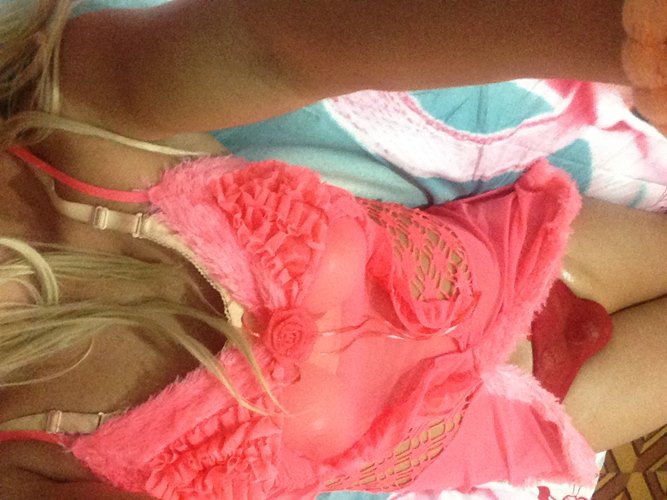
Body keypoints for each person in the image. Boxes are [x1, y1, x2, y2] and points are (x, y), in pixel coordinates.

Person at [0, 1, 665, 498]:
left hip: (532, 254)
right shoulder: (26, 461)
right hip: (541, 419)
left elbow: (274, 50)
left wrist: (634, 36)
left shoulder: (75, 119)